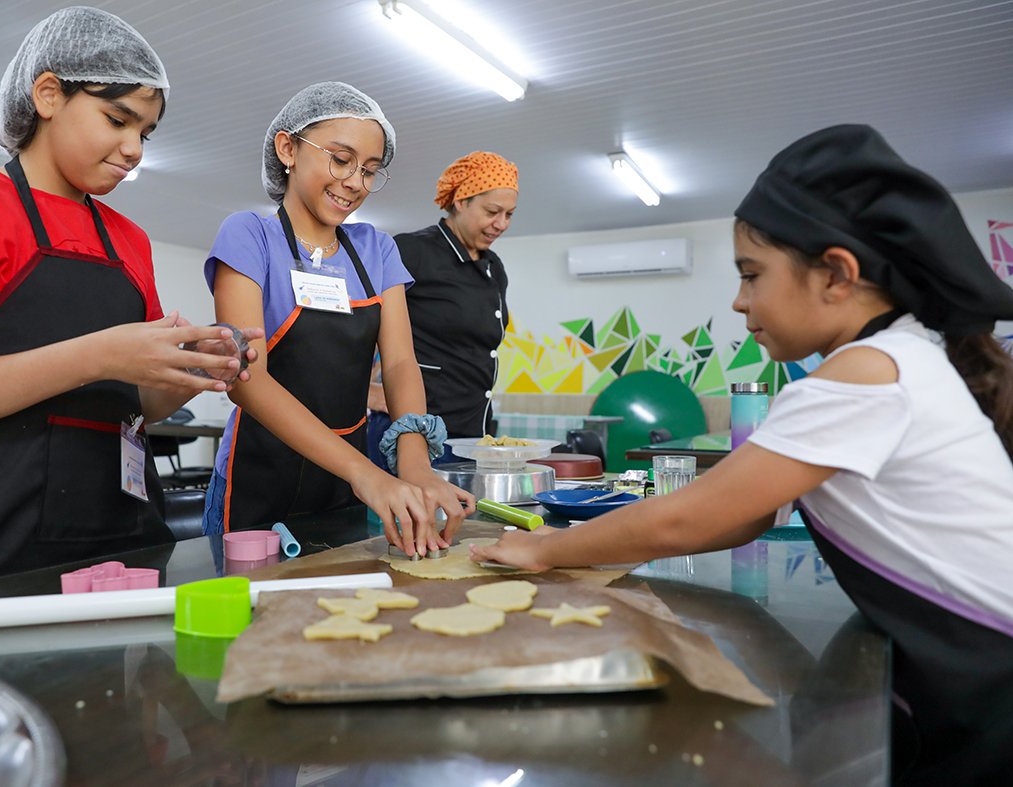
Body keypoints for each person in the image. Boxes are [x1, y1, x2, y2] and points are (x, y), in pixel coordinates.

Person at [471, 125, 1013, 783]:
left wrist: (540, 550)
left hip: (990, 675)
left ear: (836, 275)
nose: (737, 300)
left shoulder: (864, 374)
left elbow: (687, 517)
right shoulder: (894, 359)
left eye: (751, 275)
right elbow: (742, 515)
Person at [0, 7, 259, 592]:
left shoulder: (129, 240)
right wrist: (98, 355)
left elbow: (134, 407)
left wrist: (193, 369)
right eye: (116, 119)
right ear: (48, 94)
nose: (133, 149)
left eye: (145, 134)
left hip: (123, 531)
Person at [202, 82, 475, 556]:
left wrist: (414, 466)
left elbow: (399, 365)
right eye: (341, 158)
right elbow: (246, 378)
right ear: (287, 148)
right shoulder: (250, 236)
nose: (355, 182)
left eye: (370, 170)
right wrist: (367, 475)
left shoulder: (376, 249)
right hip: (256, 476)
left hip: (342, 483)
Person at [382, 152, 518, 460]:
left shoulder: (493, 266)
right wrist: (370, 391)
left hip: (476, 432)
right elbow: (356, 320)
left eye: (509, 214)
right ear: (460, 201)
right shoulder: (411, 251)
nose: (501, 224)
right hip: (419, 435)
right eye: (492, 211)